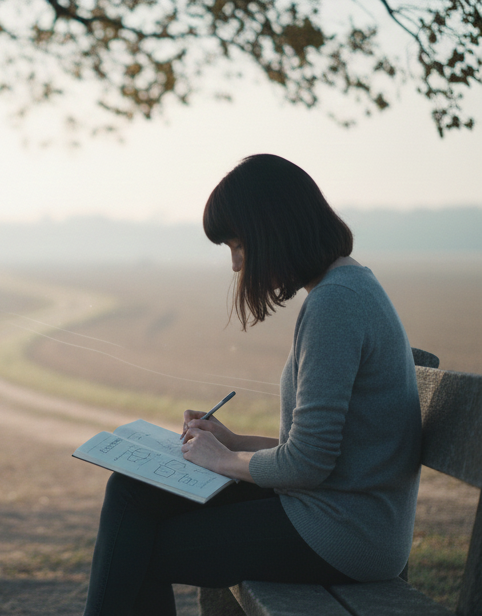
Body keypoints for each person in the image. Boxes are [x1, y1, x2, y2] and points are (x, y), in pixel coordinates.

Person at [82, 154, 422, 615]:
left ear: (274, 230)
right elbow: (327, 449)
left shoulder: (336, 304)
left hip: (345, 534)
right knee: (132, 490)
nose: (238, 264)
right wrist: (234, 441)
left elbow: (309, 464)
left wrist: (224, 460)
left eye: (238, 245)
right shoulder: (344, 288)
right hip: (335, 511)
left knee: (140, 548)